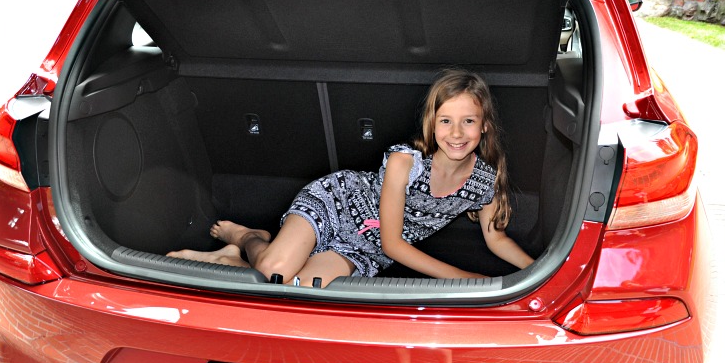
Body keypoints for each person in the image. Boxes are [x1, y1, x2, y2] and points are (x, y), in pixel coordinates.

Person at [168, 69, 534, 286]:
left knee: (295, 286)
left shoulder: (484, 183)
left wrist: (539, 274)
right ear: (432, 125)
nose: (456, 133)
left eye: (468, 121)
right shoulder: (405, 163)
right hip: (337, 202)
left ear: (484, 126)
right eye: (446, 121)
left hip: (363, 247)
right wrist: (465, 281)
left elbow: (496, 239)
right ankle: (249, 237)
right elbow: (394, 245)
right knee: (272, 269)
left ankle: (233, 259)